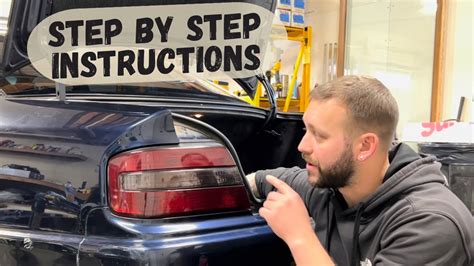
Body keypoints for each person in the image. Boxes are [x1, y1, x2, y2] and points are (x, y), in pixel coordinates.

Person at [246, 75, 474, 266]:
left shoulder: (430, 225)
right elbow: (267, 178)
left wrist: (299, 236)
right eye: (306, 130)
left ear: (365, 146)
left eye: (320, 135)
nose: (302, 146)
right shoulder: (331, 188)